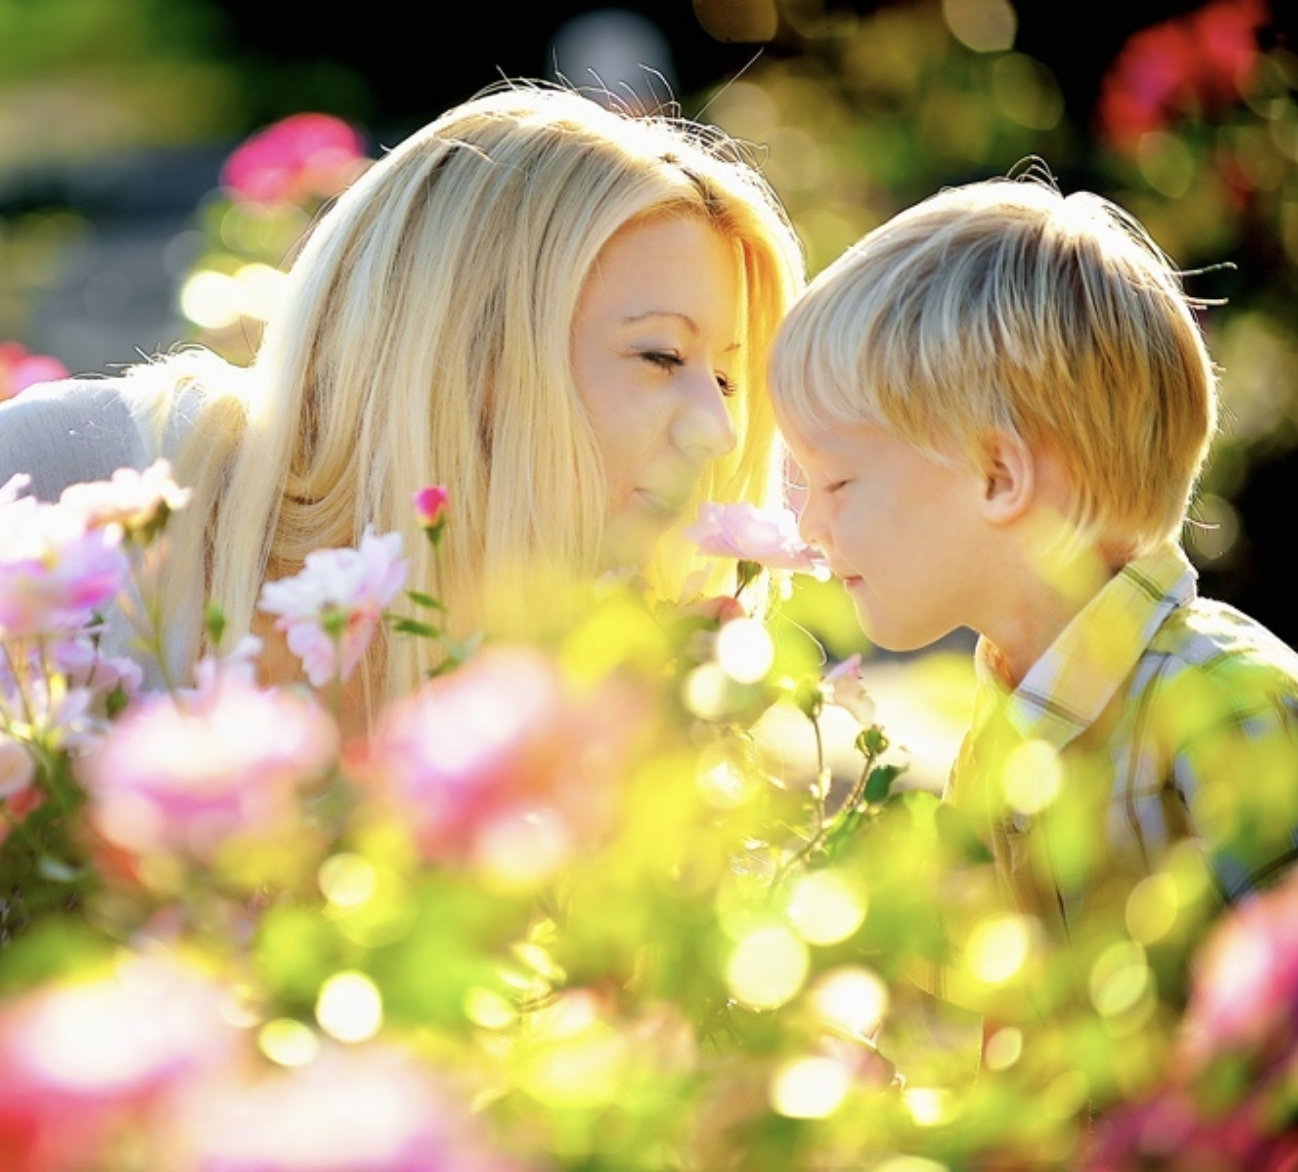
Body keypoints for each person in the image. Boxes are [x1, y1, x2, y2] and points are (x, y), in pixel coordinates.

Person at [0, 80, 806, 738]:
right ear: (472, 346)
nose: (721, 428)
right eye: (662, 356)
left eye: (728, 380)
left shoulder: (585, 672)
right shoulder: (84, 478)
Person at [767, 166, 1298, 979]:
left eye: (836, 481)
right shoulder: (1007, 733)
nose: (808, 523)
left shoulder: (1232, 708)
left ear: (997, 477)